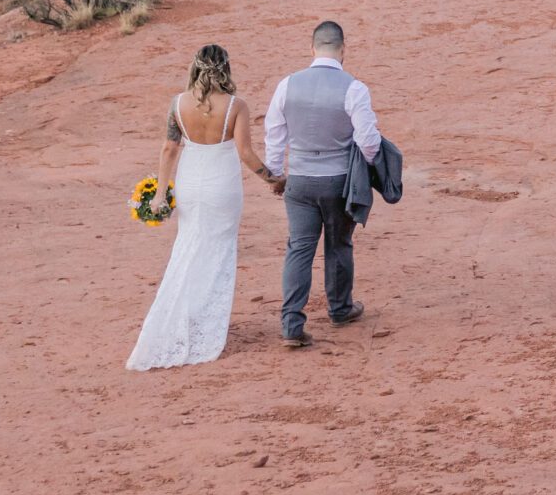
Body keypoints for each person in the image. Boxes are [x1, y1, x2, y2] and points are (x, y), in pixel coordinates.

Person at [126, 44, 279, 370]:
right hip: (222, 187)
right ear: (226, 68)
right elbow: (246, 154)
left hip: (190, 184)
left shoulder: (177, 104)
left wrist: (160, 192)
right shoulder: (236, 106)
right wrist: (273, 179)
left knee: (188, 247)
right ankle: (204, 322)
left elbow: (170, 147)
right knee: (217, 252)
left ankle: (182, 316)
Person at [263, 19, 382, 349]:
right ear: (343, 49)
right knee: (339, 244)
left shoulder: (288, 84)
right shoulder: (354, 87)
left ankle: (291, 324)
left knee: (299, 249)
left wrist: (276, 174)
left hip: (299, 181)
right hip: (338, 181)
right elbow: (369, 140)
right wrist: (369, 167)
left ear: (312, 48)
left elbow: (274, 134)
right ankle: (340, 308)